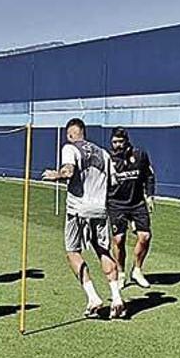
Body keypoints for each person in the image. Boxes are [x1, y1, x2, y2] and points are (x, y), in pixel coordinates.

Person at [43, 118, 125, 319]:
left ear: (71, 134)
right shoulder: (104, 153)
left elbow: (68, 171)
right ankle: (116, 298)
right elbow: (114, 182)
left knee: (72, 252)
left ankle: (93, 297)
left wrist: (57, 175)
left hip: (78, 209)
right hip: (99, 210)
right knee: (102, 251)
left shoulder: (70, 149)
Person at [107, 127, 155, 288]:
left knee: (145, 237)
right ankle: (121, 273)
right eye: (114, 142)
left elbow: (149, 176)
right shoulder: (108, 159)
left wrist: (149, 196)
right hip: (116, 204)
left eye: (120, 142)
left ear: (127, 141)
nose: (117, 145)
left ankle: (137, 270)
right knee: (119, 240)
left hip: (137, 203)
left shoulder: (139, 155)